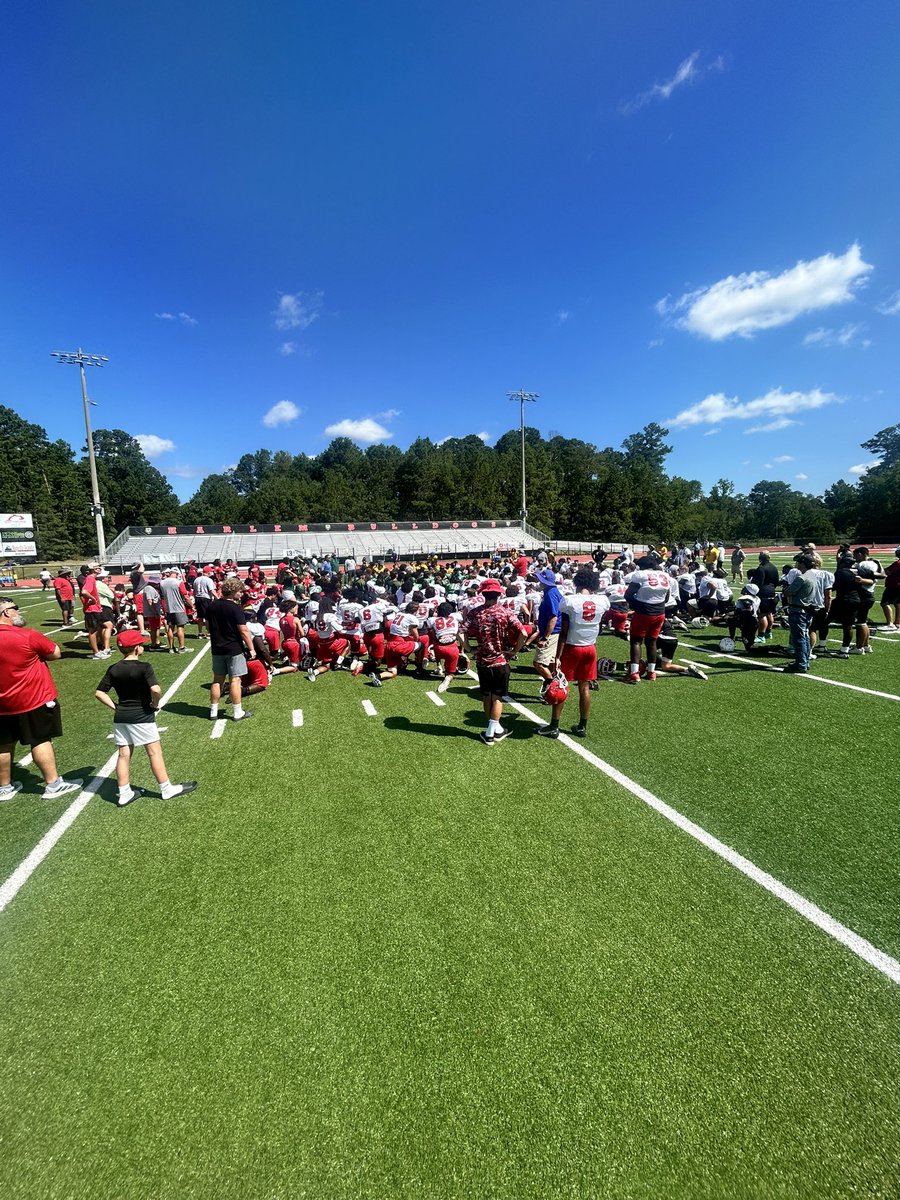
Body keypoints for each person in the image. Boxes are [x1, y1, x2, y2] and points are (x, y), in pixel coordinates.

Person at [94, 629, 198, 807]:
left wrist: (116, 707)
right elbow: (156, 689)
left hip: (121, 717)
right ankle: (166, 788)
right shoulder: (144, 667)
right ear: (136, 649)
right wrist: (155, 703)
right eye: (140, 644)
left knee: (123, 755)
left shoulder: (114, 668)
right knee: (154, 751)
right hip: (141, 715)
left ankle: (124, 792)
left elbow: (99, 693)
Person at [0, 599, 83, 800]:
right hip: (33, 698)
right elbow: (55, 653)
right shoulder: (27, 635)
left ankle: (4, 787)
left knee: (3, 744)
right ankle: (53, 784)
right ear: (5, 613)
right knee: (40, 739)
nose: (18, 611)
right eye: (15, 608)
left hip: (2, 704)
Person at [538, 567, 608, 739]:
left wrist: (558, 656)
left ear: (577, 582)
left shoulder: (570, 601)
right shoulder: (602, 601)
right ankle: (582, 726)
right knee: (584, 688)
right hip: (590, 647)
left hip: (572, 647)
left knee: (561, 685)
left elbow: (564, 632)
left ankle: (554, 725)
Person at [461, 578, 526, 745]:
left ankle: (493, 727)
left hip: (482, 661)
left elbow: (461, 632)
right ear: (498, 595)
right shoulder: (505, 612)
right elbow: (524, 633)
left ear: (483, 594)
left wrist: (469, 648)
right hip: (500, 660)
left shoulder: (475, 612)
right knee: (497, 696)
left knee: (486, 694)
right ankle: (491, 732)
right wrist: (514, 651)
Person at [207, 577, 257, 721]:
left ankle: (213, 711)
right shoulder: (235, 608)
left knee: (217, 680)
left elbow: (208, 626)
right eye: (240, 591)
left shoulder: (212, 606)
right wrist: (251, 648)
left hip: (217, 648)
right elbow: (243, 630)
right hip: (234, 648)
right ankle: (237, 711)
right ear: (234, 590)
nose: (241, 594)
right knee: (235, 680)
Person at [623, 559, 673, 683]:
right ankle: (652, 672)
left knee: (636, 641)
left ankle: (634, 673)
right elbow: (666, 598)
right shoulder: (664, 575)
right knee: (652, 642)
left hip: (644, 612)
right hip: (660, 612)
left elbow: (628, 595)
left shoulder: (640, 575)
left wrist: (638, 606)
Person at [533, 567, 563, 701]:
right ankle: (554, 689)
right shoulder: (551, 592)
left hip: (552, 632)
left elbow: (553, 617)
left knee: (538, 663)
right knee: (550, 664)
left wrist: (545, 636)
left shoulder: (550, 593)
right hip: (554, 632)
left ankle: (552, 688)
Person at [784, 552, 817, 673]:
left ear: (803, 564)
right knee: (805, 637)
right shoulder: (812, 575)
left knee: (799, 638)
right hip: (807, 609)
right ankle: (804, 661)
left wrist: (786, 589)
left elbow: (789, 592)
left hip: (798, 610)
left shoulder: (801, 578)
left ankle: (801, 663)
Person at [159, 568, 194, 654]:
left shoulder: (162, 583)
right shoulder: (178, 582)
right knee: (180, 627)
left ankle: (171, 647)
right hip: (178, 607)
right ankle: (181, 647)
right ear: (177, 574)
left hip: (168, 607)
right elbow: (185, 596)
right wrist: (192, 606)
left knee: (170, 627)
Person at [748, 552, 780, 642]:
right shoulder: (773, 567)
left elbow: (758, 583)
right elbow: (777, 581)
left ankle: (761, 635)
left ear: (760, 558)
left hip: (763, 593)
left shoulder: (761, 568)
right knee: (769, 613)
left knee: (762, 615)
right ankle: (768, 632)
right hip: (772, 591)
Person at [880, 547, 900, 631]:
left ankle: (890, 623)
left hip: (894, 586)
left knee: (885, 603)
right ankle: (897, 622)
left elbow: (887, 572)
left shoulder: (898, 563)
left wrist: (879, 565)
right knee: (898, 604)